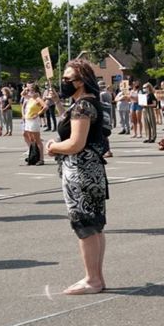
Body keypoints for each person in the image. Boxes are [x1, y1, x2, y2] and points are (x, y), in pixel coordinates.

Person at [46, 60, 110, 293]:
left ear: (81, 81)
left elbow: (75, 143)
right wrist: (56, 102)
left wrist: (53, 146)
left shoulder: (83, 106)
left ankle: (92, 279)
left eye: (68, 79)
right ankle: (96, 278)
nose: (64, 82)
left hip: (81, 173)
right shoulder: (87, 103)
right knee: (94, 226)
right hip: (90, 171)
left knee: (85, 226)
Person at [23, 85, 45, 165]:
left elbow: (45, 107)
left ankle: (41, 159)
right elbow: (22, 94)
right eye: (29, 91)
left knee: (37, 140)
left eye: (32, 91)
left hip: (34, 120)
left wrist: (37, 114)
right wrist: (26, 89)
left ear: (36, 91)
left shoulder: (37, 99)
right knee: (31, 139)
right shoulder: (30, 98)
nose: (30, 92)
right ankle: (33, 156)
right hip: (28, 120)